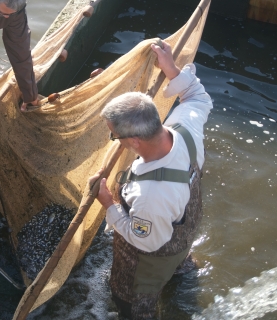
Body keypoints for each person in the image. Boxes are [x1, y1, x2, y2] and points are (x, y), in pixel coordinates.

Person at [90, 41, 213, 319]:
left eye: (114, 136)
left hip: (149, 255)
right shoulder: (185, 124)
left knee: (131, 304)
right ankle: (181, 269)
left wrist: (108, 202)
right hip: (185, 227)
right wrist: (172, 70)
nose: (114, 140)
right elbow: (196, 96)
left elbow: (143, 241)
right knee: (179, 260)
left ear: (133, 140)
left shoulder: (150, 196)